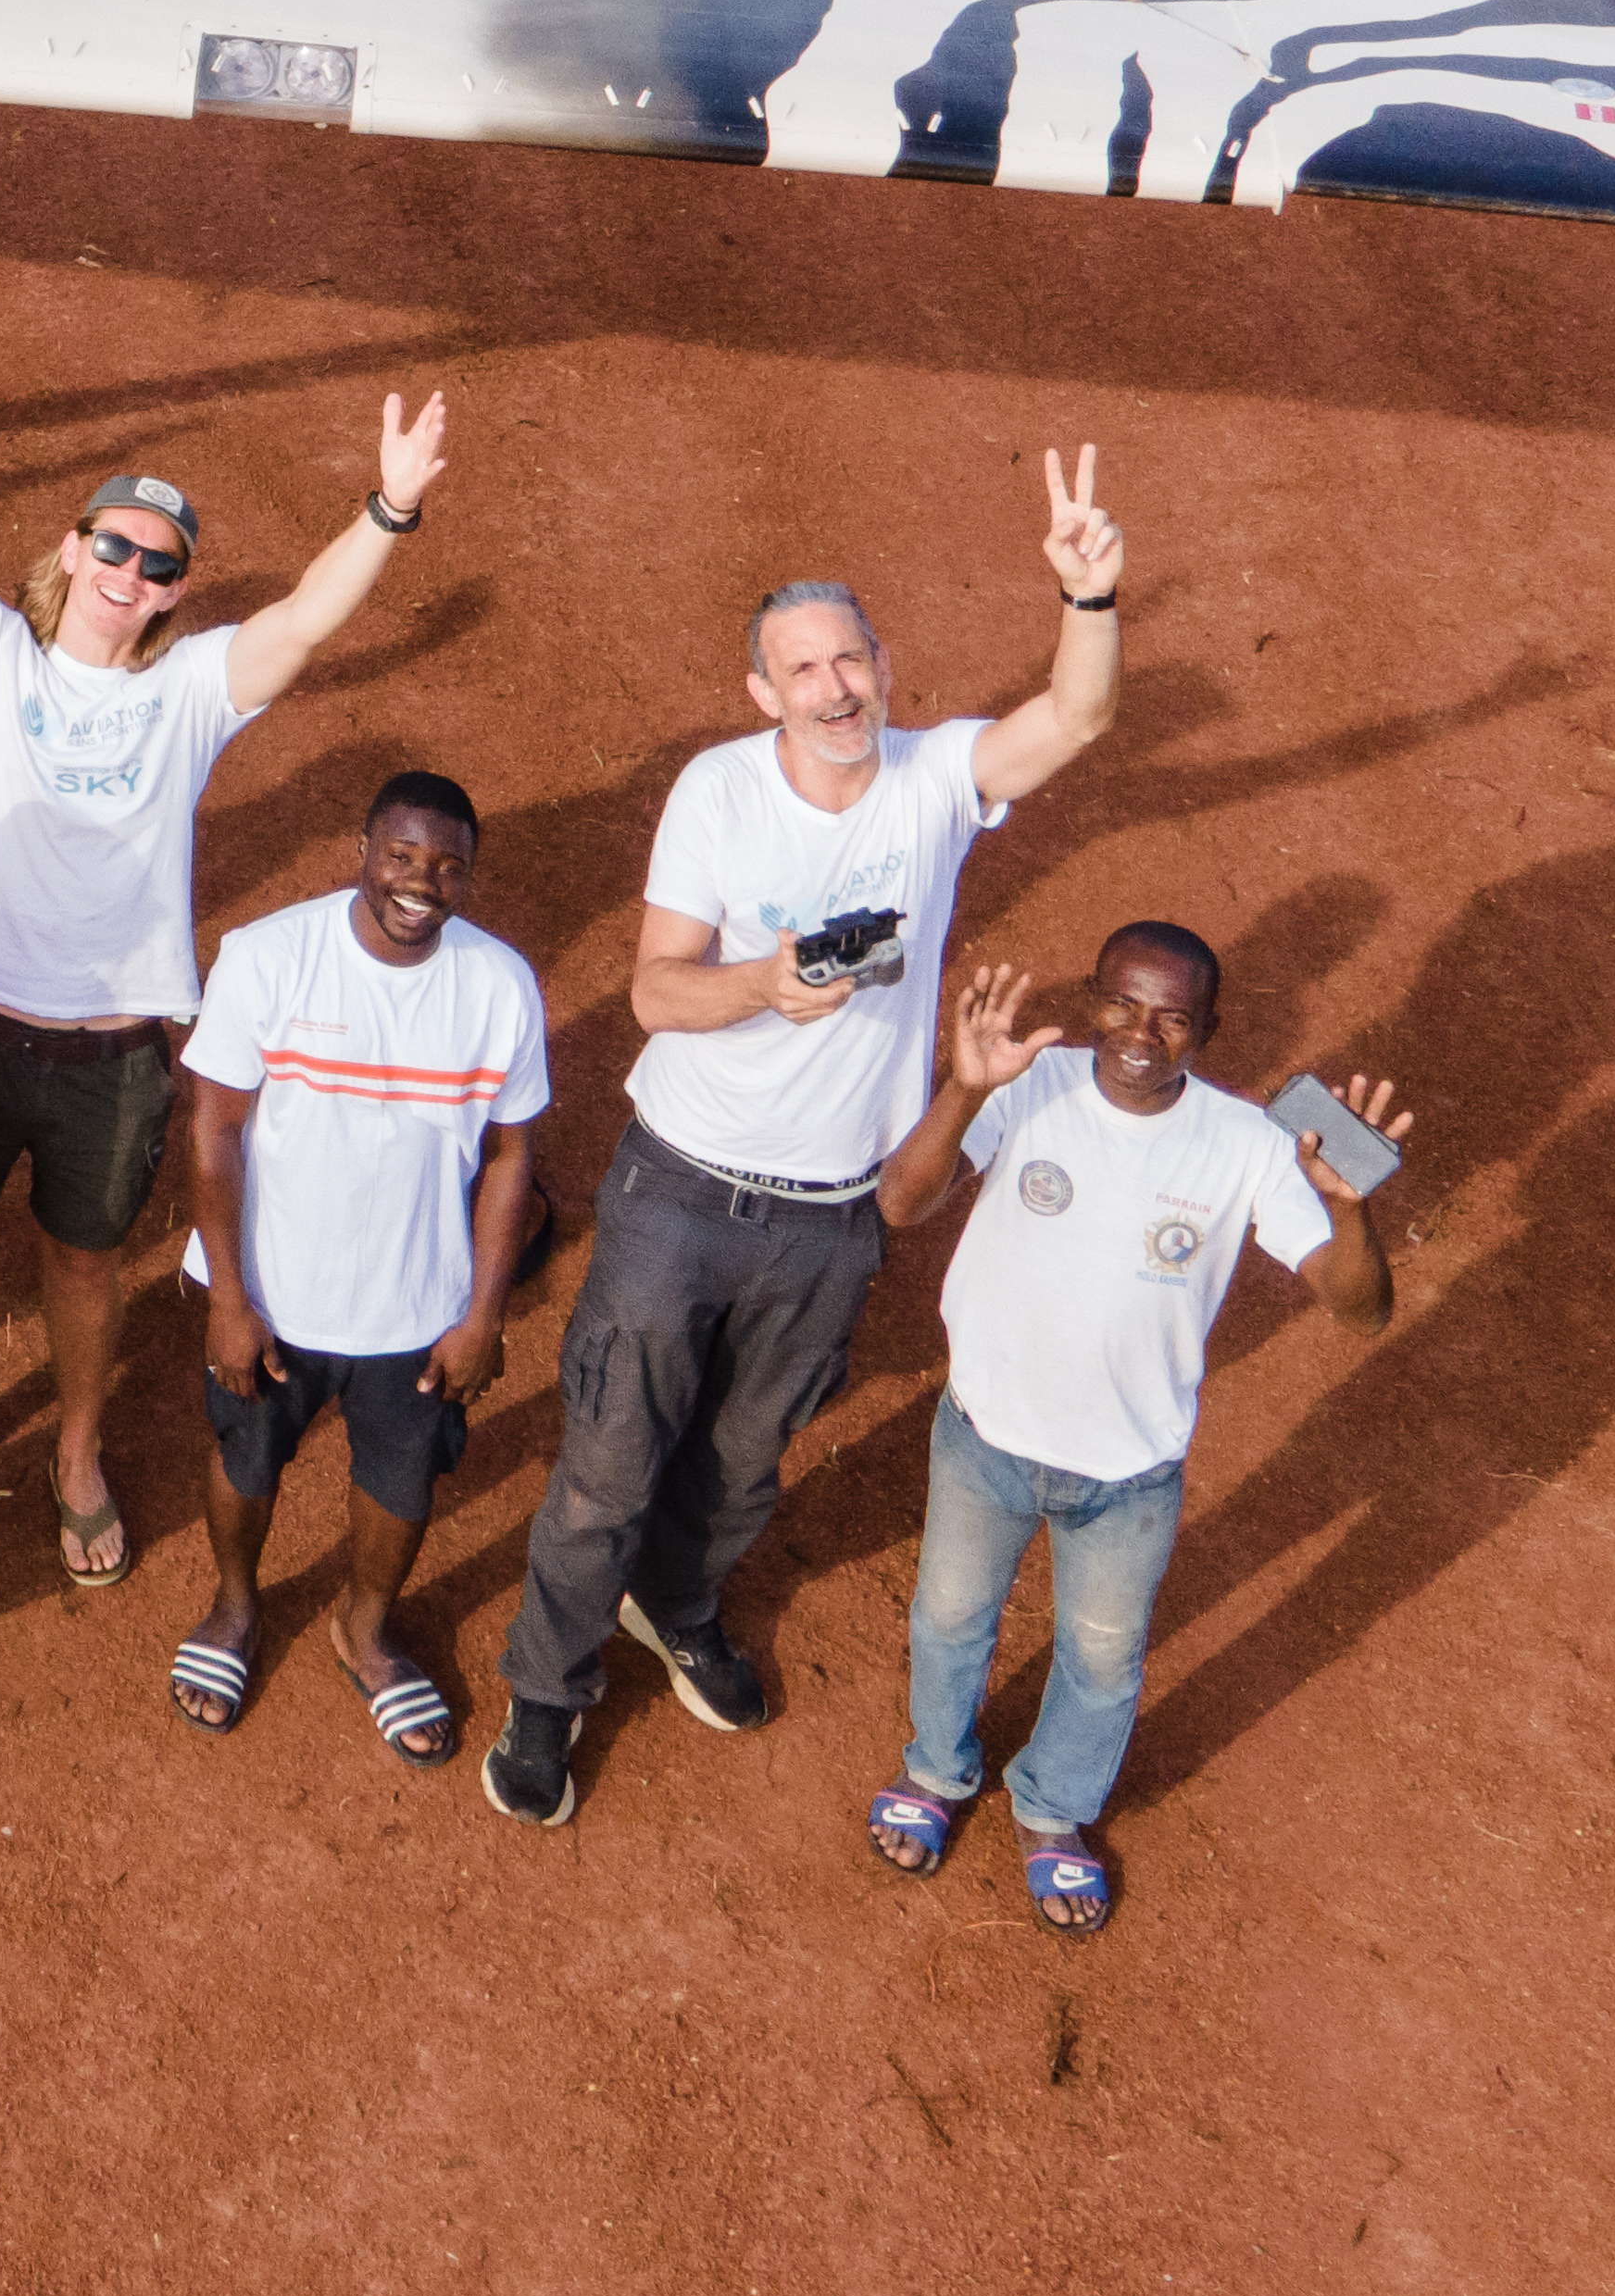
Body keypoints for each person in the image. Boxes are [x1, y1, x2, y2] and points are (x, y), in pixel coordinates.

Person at [485, 448, 1136, 1830]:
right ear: (761, 695)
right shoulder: (718, 794)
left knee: (741, 1459)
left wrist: (1089, 596)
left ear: (884, 667)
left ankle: (677, 1607)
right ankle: (548, 1693)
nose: (836, 688)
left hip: (831, 1214)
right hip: (678, 1194)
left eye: (852, 660)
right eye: (803, 670)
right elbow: (657, 990)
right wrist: (762, 989)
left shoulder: (937, 776)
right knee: (609, 1458)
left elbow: (1075, 720)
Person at [0, 291, 453, 1590]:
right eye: (119, 544)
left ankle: (75, 1450)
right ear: (76, 544)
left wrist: (387, 510)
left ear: (178, 592)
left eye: (163, 563)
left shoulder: (186, 695)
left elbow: (306, 620)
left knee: (88, 1259)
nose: (135, 573)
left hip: (110, 1051)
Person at [864, 930, 1408, 1931]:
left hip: (1128, 1473)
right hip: (984, 1435)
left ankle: (1052, 1811)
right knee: (947, 1623)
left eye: (1171, 1017)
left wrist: (1346, 1212)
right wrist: (963, 1088)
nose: (1141, 1035)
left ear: (1207, 1031)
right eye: (1122, 1004)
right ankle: (935, 1774)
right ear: (1092, 999)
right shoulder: (1027, 1084)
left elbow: (1360, 1307)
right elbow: (900, 1203)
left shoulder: (1246, 1144)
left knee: (1103, 1660)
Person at [171, 771, 552, 1764]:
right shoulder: (268, 957)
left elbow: (511, 1158)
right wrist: (228, 1298)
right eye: (399, 856)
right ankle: (233, 1606)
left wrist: (480, 1314)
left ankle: (364, 1627)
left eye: (445, 867)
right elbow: (212, 1130)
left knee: (403, 1482)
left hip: (417, 1312)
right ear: (361, 849)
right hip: (273, 1298)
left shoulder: (499, 984)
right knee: (246, 1459)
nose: (419, 883)